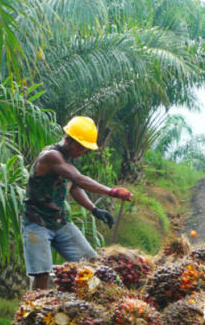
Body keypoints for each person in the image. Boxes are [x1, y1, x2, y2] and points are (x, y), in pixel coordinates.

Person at [21, 116, 132, 289]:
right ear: (67, 140)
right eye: (80, 147)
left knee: (91, 263)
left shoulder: (68, 158)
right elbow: (78, 178)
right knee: (41, 273)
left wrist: (94, 210)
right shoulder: (52, 156)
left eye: (85, 149)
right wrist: (112, 192)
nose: (82, 152)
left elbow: (74, 187)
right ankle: (35, 310)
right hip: (36, 222)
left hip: (60, 222)